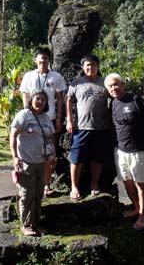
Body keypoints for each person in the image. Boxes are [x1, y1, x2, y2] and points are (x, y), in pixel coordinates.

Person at [104, 72, 144, 231]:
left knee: (140, 183)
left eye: (116, 84)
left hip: (139, 150)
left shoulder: (136, 100)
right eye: (110, 86)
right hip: (121, 150)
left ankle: (143, 215)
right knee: (127, 181)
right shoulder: (112, 104)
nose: (114, 88)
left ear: (123, 84)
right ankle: (136, 208)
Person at [19, 46, 66, 196]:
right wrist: (25, 115)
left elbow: (60, 100)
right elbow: (25, 96)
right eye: (40, 58)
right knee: (31, 152)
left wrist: (59, 120)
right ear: (35, 60)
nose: (43, 61)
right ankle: (31, 184)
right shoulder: (28, 76)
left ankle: (46, 185)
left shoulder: (56, 77)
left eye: (46, 58)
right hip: (31, 119)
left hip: (49, 119)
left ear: (49, 60)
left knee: (48, 153)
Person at [10, 89, 55, 236]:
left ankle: (36, 224)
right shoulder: (24, 115)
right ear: (31, 100)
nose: (40, 102)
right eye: (37, 99)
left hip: (42, 162)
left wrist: (52, 156)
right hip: (26, 161)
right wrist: (15, 157)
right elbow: (13, 136)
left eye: (43, 99)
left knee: (38, 194)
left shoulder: (46, 118)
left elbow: (50, 137)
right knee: (27, 194)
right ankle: (26, 224)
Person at [66, 53, 111, 200]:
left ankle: (94, 184)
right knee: (76, 158)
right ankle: (74, 186)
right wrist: (69, 120)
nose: (90, 67)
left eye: (93, 64)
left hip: (101, 128)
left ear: (98, 66)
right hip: (81, 128)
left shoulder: (105, 83)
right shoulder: (76, 83)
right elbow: (68, 100)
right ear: (83, 67)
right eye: (87, 65)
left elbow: (115, 98)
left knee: (97, 159)